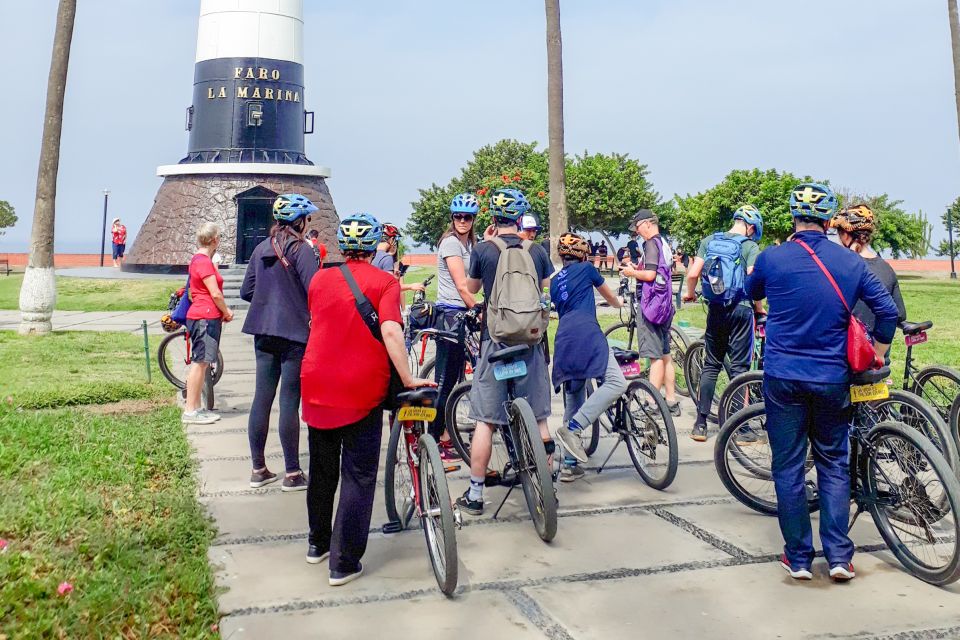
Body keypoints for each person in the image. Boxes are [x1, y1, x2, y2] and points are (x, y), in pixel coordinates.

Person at [746, 183, 898, 583]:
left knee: (789, 465)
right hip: (833, 378)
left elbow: (751, 293)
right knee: (833, 462)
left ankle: (797, 557)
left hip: (782, 377)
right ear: (831, 221)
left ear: (793, 216)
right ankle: (838, 557)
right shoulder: (851, 264)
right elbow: (886, 312)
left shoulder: (771, 258)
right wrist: (879, 351)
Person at [300, 213, 433, 585]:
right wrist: (407, 377)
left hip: (317, 383)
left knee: (322, 470)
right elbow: (390, 330)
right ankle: (343, 562)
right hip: (360, 388)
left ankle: (317, 544)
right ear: (375, 245)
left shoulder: (319, 279)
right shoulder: (384, 282)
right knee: (358, 475)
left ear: (343, 246)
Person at [456, 188, 554, 515]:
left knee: (486, 421)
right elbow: (541, 289)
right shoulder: (537, 250)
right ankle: (547, 482)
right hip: (530, 342)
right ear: (520, 217)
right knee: (540, 417)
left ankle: (475, 494)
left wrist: (486, 248)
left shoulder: (484, 249)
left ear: (493, 218)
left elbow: (471, 289)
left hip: (495, 343)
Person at [239, 194, 320, 491]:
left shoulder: (261, 248)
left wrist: (268, 298)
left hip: (263, 331)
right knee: (289, 400)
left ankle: (258, 469)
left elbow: (247, 291)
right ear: (299, 221)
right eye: (307, 218)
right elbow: (316, 289)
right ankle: (293, 473)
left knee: (262, 397)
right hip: (294, 333)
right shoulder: (302, 250)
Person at [682, 205, 764, 441]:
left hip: (716, 308)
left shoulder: (709, 241)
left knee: (711, 365)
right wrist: (759, 308)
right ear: (750, 227)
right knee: (739, 369)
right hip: (741, 310)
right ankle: (740, 428)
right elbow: (753, 279)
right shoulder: (749, 246)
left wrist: (690, 293)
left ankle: (700, 424)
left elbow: (692, 273)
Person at [550, 233, 626, 481]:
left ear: (562, 256)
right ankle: (573, 427)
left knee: (574, 398)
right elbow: (609, 296)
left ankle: (570, 465)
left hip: (563, 339)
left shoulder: (553, 281)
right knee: (616, 382)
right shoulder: (587, 269)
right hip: (587, 333)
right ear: (582, 254)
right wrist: (619, 303)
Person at [432, 193, 480, 463]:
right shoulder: (451, 243)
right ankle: (434, 437)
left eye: (468, 217)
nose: (463, 221)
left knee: (456, 380)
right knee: (445, 382)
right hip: (451, 315)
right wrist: (478, 310)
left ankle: (448, 436)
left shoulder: (469, 244)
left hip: (462, 314)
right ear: (452, 218)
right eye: (458, 217)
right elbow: (463, 286)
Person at [621, 209, 681, 416]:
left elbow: (650, 274)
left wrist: (631, 272)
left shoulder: (650, 244)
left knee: (654, 357)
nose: (637, 232)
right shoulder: (663, 243)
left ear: (647, 224)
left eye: (637, 227)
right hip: (664, 305)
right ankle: (671, 400)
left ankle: (652, 403)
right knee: (665, 355)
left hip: (651, 307)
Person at [182, 223, 233, 424]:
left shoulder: (198, 259)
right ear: (214, 240)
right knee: (200, 362)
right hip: (205, 315)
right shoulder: (204, 262)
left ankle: (195, 407)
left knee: (202, 363)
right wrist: (226, 310)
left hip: (203, 315)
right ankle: (190, 411)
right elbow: (215, 293)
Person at [830, 204, 907, 333]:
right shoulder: (886, 268)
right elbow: (900, 314)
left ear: (846, 235)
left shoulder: (842, 266)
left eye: (839, 234)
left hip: (848, 348)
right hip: (879, 348)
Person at [372, 223, 424, 295]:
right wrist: (411, 286)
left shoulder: (370, 255)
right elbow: (389, 287)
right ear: (392, 240)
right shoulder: (387, 258)